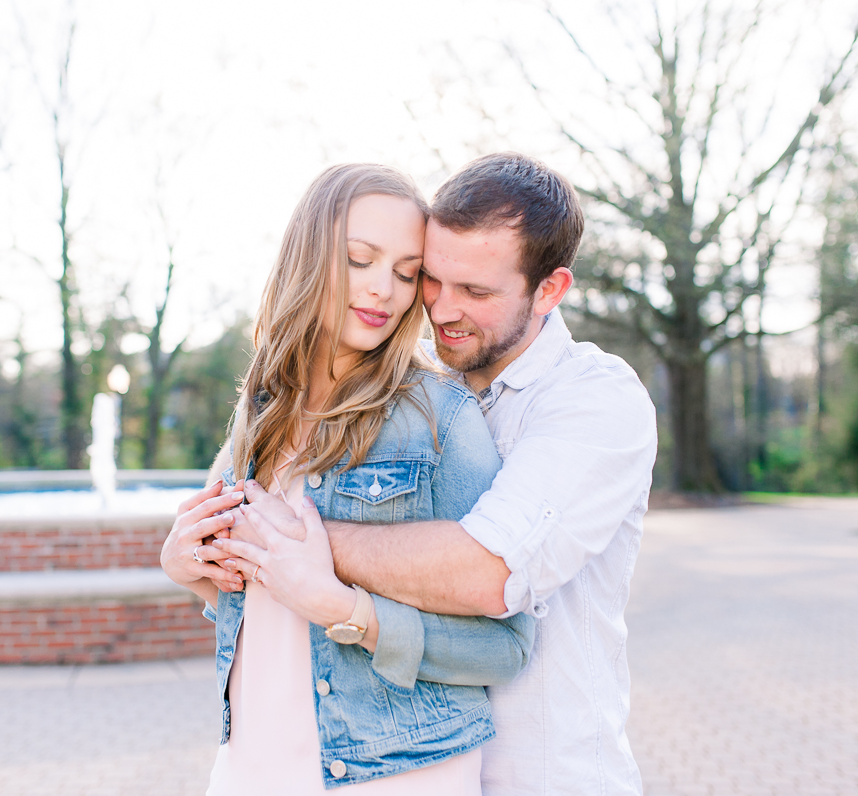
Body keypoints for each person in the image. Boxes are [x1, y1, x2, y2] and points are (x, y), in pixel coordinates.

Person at [214, 153, 658, 795]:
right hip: (397, 765)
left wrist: (288, 535)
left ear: (549, 290)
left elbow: (489, 572)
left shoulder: (594, 400)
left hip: (544, 775)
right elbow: (233, 532)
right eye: (431, 279)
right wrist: (202, 553)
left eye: (476, 292)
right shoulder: (399, 395)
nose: (441, 309)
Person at [160, 163, 534, 794]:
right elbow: (268, 607)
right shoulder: (260, 414)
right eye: (360, 258)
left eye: (406, 272)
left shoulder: (441, 418)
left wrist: (348, 609)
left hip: (393, 774)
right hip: (251, 767)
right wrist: (191, 570)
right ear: (310, 255)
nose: (383, 289)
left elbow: (506, 648)